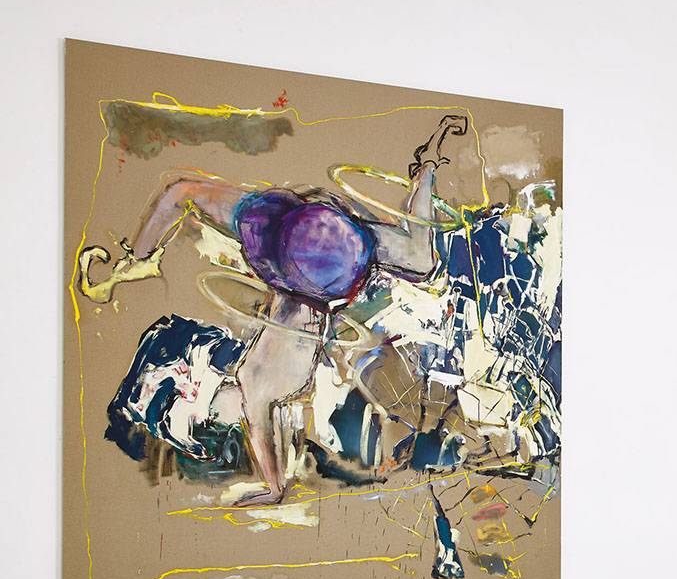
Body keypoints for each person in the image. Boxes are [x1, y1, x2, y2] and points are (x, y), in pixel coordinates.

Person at [79, 114, 469, 506]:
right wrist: (139, 256)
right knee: (419, 260)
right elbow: (179, 191)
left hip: (319, 247)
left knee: (419, 261)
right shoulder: (266, 229)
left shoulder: (297, 286)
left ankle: (426, 168)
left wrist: (138, 256)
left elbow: (180, 191)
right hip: (305, 235)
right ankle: (426, 168)